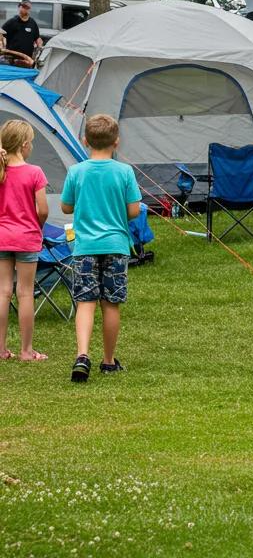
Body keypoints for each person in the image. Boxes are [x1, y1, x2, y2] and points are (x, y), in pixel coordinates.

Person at [61, 114, 142, 383]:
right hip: (116, 245)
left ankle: (82, 355)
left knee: (85, 303)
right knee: (111, 304)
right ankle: (108, 360)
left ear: (85, 141)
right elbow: (133, 210)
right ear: (116, 142)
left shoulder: (76, 171)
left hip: (85, 247)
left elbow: (66, 207)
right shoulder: (124, 172)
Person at [0, 121, 49, 361]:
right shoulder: (35, 173)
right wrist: (35, 228)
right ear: (24, 144)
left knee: (2, 292)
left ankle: (0, 350)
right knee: (25, 293)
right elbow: (43, 210)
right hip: (27, 237)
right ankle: (26, 351)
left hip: (1, 237)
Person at [1, 0, 43, 66]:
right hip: (11, 60)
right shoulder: (12, 22)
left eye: (27, 8)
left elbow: (37, 38)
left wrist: (40, 49)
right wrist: (2, 44)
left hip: (27, 60)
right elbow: (1, 34)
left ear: (30, 9)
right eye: (23, 7)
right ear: (19, 8)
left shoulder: (33, 23)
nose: (25, 9)